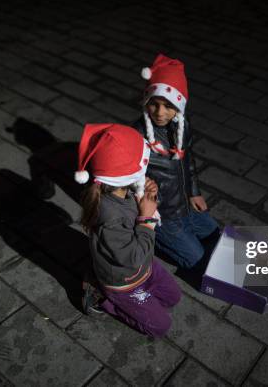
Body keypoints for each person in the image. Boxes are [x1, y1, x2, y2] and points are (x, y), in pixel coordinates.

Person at [75, 123, 181, 338]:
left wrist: (145, 196)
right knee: (160, 327)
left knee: (173, 297)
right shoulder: (110, 216)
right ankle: (103, 299)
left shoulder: (121, 190)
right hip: (123, 281)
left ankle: (141, 300)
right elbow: (131, 257)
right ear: (127, 175)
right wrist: (147, 219)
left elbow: (137, 218)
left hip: (143, 265)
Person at [132, 53, 220, 274]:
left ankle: (180, 237)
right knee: (199, 262)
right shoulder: (137, 135)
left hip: (185, 204)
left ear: (179, 105)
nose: (160, 113)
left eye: (168, 106)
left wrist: (194, 192)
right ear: (146, 101)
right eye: (154, 104)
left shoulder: (182, 124)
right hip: (164, 217)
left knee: (215, 235)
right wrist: (147, 216)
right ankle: (155, 240)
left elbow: (187, 160)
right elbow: (129, 180)